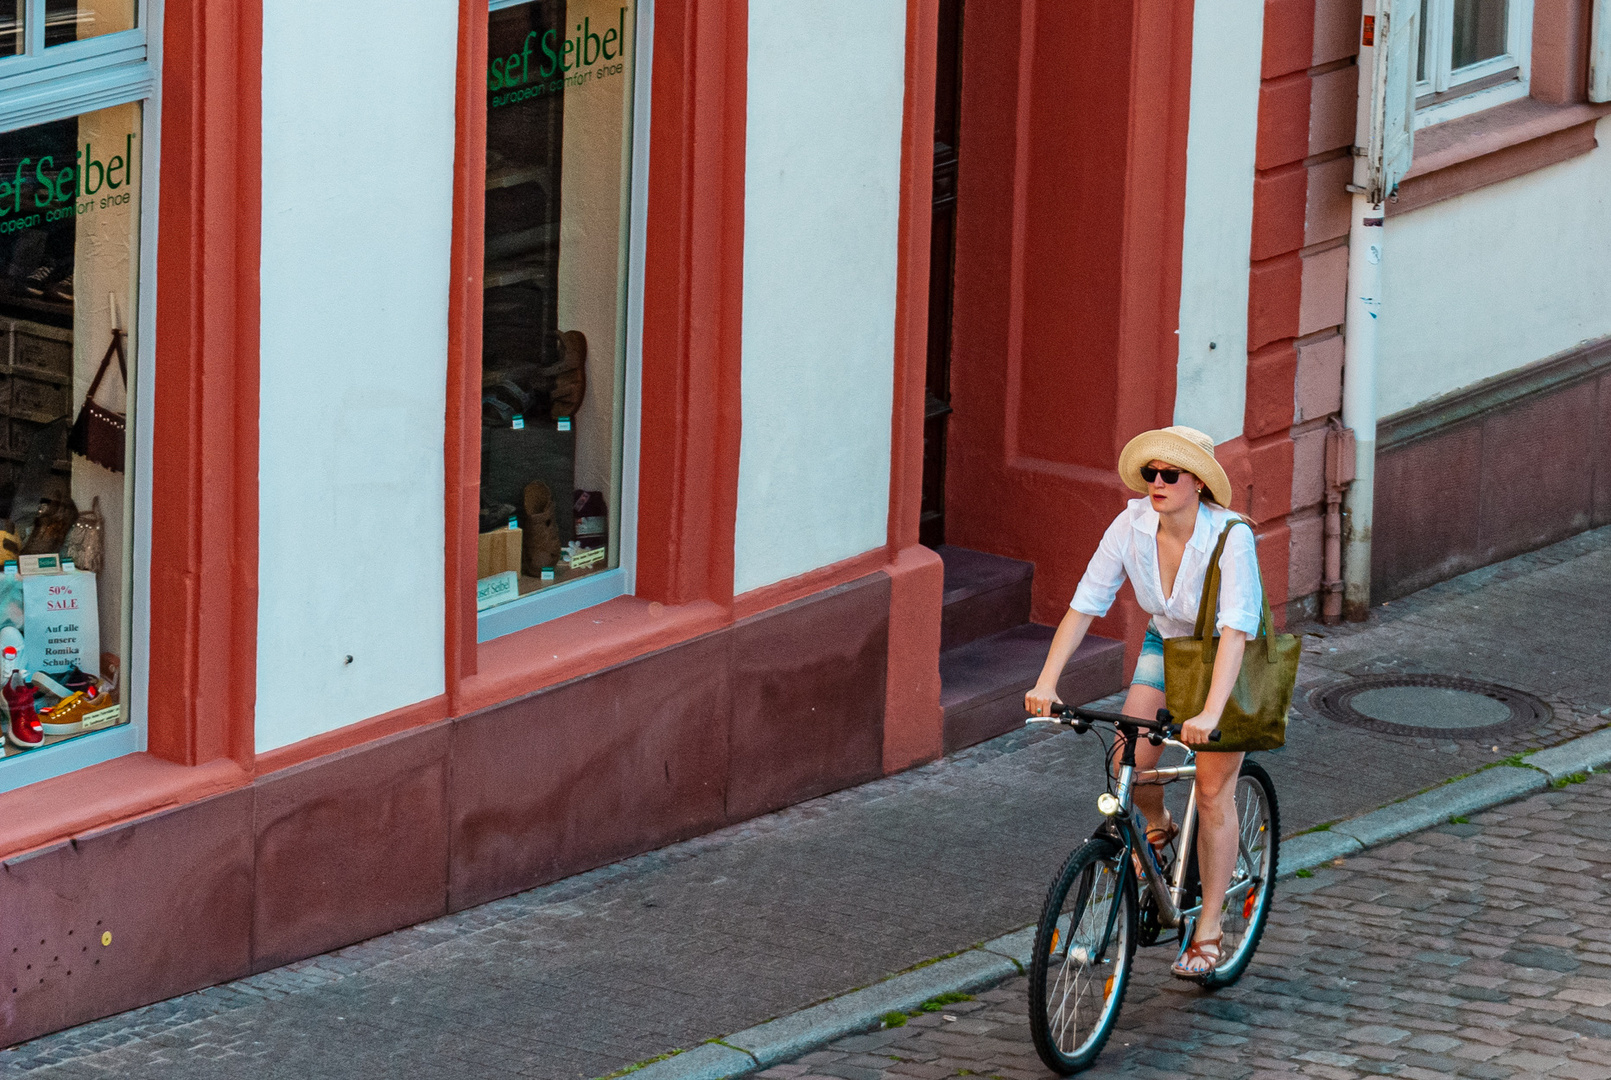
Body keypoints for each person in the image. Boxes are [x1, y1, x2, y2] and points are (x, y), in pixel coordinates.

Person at [1023, 425, 1263, 981]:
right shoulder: (1130, 525)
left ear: (1198, 484)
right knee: (1128, 764)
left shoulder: (1230, 537)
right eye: (1150, 473)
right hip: (1166, 643)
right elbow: (1086, 604)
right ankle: (1157, 830)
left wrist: (1206, 714)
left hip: (1229, 654)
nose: (1156, 482)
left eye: (1169, 474)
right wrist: (1047, 682)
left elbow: (1235, 630)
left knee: (1210, 790)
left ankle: (1208, 930)